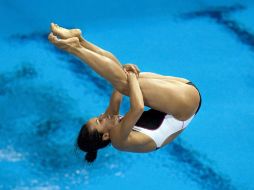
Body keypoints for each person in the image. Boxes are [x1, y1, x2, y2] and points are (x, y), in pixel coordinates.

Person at [48, 23, 202, 163]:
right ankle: (73, 48)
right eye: (99, 121)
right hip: (185, 105)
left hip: (183, 95)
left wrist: (126, 73)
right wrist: (132, 76)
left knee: (122, 79)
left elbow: (117, 90)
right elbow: (137, 108)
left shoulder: (110, 122)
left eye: (97, 117)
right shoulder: (118, 140)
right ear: (106, 136)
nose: (102, 116)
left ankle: (80, 40)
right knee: (125, 83)